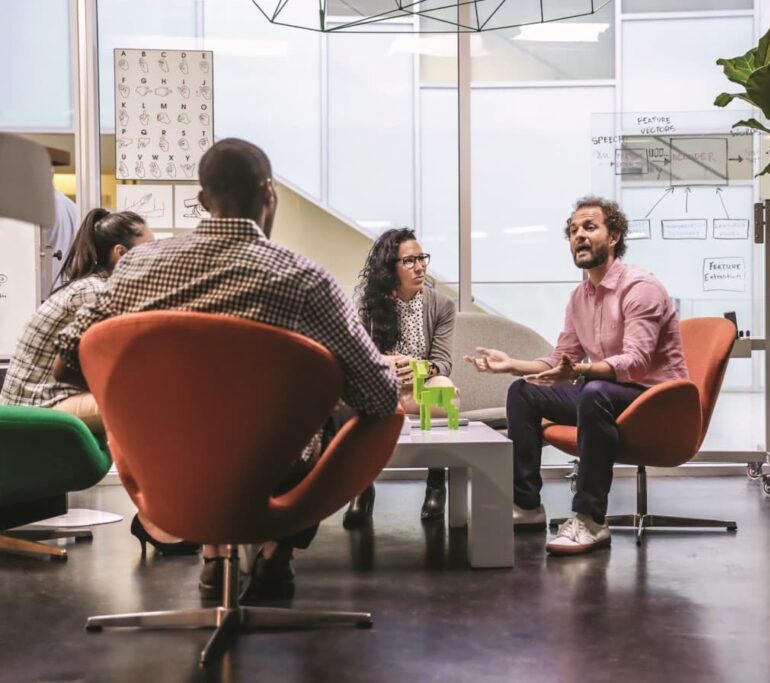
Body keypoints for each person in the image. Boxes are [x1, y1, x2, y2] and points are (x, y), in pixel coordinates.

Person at [53, 138, 400, 600]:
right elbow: (379, 394)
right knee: (342, 409)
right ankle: (277, 552)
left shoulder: (135, 268)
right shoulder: (303, 279)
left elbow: (67, 363)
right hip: (272, 473)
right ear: (270, 195)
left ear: (202, 201)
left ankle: (216, 556)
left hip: (166, 471)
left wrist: (141, 396)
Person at [464, 196, 688, 556]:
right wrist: (512, 365)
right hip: (605, 393)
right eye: (572, 231)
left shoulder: (640, 288)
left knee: (593, 390)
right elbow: (561, 360)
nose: (578, 236)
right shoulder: (579, 298)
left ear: (613, 236)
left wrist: (580, 372)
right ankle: (526, 506)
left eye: (589, 227)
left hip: (654, 398)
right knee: (523, 392)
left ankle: (590, 519)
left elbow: (637, 364)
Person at [342, 228, 458, 527]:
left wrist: (420, 370)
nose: (420, 267)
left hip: (420, 389)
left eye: (422, 259)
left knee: (447, 392)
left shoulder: (441, 305)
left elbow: (443, 363)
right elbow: (356, 359)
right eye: (409, 261)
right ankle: (362, 488)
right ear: (390, 268)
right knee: (353, 396)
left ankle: (436, 482)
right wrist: (383, 363)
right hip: (382, 387)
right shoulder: (368, 306)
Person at [1, 208, 153, 433]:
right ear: (121, 253)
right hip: (37, 405)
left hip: (35, 400)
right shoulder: (94, 292)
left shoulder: (91, 285)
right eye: (149, 248)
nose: (154, 256)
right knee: (141, 404)